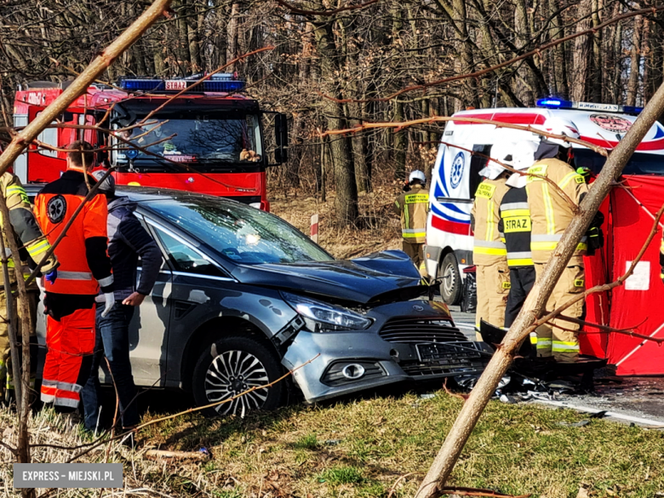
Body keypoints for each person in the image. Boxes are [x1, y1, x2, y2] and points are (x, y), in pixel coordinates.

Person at [34, 141, 114, 410]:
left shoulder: (44, 194)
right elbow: (95, 247)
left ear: (66, 160)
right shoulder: (92, 195)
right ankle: (66, 414)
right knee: (77, 354)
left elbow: (35, 242)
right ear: (93, 163)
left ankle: (48, 411)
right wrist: (108, 284)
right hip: (80, 292)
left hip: (52, 287)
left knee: (56, 351)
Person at [81, 171, 163, 432]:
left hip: (115, 305)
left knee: (118, 369)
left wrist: (141, 291)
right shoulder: (89, 218)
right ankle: (92, 429)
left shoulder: (121, 219)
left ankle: (129, 431)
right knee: (87, 369)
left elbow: (152, 252)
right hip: (89, 304)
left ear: (98, 194)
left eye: (87, 192)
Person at [526, 118, 589, 362]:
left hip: (540, 251)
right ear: (563, 142)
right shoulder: (563, 170)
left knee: (545, 305)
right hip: (564, 250)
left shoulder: (534, 169)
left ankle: (543, 357)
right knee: (566, 305)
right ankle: (565, 363)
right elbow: (586, 203)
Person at [0, 169, 59, 399]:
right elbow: (21, 220)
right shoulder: (5, 180)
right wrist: (47, 262)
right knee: (16, 343)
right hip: (9, 282)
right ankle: (18, 403)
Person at [471, 143, 512, 340]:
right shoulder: (505, 189)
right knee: (499, 302)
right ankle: (496, 345)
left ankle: (481, 342)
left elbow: (474, 217)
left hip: (481, 255)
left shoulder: (483, 186)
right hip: (499, 256)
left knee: (484, 302)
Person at [499, 141, 539, 328]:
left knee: (514, 303)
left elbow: (501, 229)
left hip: (514, 260)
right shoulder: (533, 193)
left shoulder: (507, 196)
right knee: (535, 304)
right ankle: (531, 344)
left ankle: (508, 340)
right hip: (533, 260)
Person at [394, 170, 429, 276]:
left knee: (410, 262)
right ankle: (424, 281)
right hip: (426, 237)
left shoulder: (401, 198)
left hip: (409, 237)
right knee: (424, 262)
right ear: (423, 182)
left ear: (409, 182)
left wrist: (404, 193)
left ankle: (413, 283)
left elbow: (396, 211)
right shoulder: (430, 196)